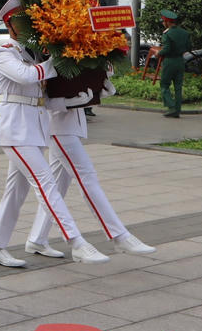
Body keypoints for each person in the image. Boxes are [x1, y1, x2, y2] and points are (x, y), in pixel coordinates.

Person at [0, 0, 109, 266]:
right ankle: (76, 241)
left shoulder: (32, 54)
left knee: (15, 191)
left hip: (34, 127)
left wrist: (82, 93)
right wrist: (60, 57)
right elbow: (28, 77)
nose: (28, 29)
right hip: (15, 128)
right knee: (45, 182)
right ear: (10, 26)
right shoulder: (4, 52)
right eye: (21, 23)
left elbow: (48, 96)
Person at [25, 69, 157, 258]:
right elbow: (45, 98)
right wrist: (72, 101)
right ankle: (118, 235)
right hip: (60, 128)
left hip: (68, 127)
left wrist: (98, 87)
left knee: (58, 185)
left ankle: (37, 239)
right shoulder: (50, 58)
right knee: (87, 177)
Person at [159, 9, 191, 118]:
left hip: (169, 61)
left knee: (164, 85)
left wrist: (159, 53)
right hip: (180, 61)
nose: (163, 24)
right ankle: (177, 110)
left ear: (167, 22)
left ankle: (171, 106)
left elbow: (167, 49)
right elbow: (189, 47)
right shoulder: (184, 33)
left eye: (163, 22)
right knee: (178, 87)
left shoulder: (167, 34)